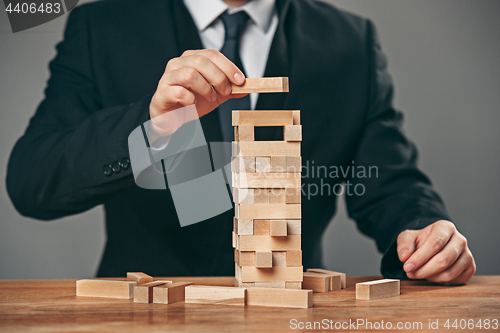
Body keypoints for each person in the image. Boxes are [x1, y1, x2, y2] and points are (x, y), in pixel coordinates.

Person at [6, 0, 475, 284]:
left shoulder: (350, 41)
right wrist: (150, 126)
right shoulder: (102, 27)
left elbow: (391, 185)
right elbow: (31, 182)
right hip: (142, 315)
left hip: (289, 313)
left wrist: (424, 233)